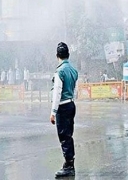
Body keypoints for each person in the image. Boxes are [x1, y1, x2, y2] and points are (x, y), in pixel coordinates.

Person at [50, 42, 78, 178]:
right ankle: (69, 162)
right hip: (71, 105)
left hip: (62, 107)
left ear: (57, 56)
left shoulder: (59, 72)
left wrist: (53, 112)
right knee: (69, 135)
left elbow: (57, 93)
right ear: (68, 55)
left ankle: (69, 166)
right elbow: (74, 89)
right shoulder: (73, 70)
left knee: (64, 136)